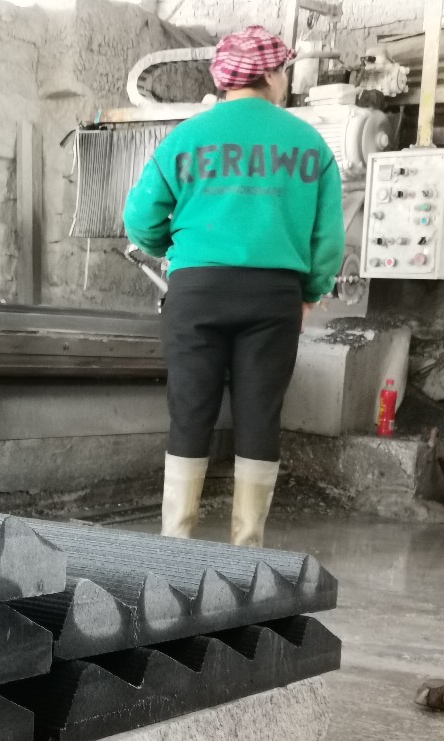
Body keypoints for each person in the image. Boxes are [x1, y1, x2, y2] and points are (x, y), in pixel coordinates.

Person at [123, 24, 345, 548]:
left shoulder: (186, 137)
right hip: (274, 298)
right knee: (260, 416)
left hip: (196, 292)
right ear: (271, 74)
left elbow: (140, 219)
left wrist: (178, 250)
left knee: (189, 413)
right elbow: (328, 239)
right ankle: (248, 549)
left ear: (225, 79)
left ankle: (175, 542)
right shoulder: (310, 145)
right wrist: (310, 292)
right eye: (284, 71)